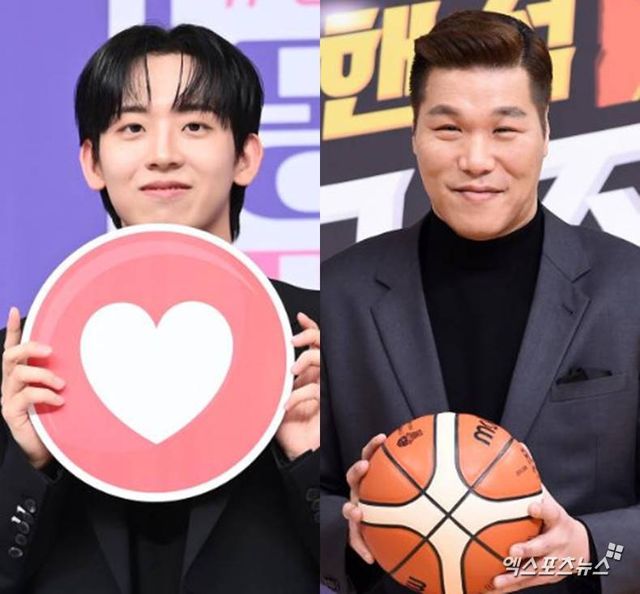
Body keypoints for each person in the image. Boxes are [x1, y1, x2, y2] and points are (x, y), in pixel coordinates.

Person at [321, 10, 638, 594]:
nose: (475, 160)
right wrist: (348, 527)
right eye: (448, 129)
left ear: (545, 133)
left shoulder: (631, 288)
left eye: (504, 130)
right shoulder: (340, 293)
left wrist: (592, 549)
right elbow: (294, 497)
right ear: (414, 136)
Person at [0, 24, 319, 593]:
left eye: (195, 125)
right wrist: (29, 462)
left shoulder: (321, 341)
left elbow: (379, 569)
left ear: (246, 156)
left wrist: (309, 460)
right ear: (93, 162)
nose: (164, 155)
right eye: (132, 128)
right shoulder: (23, 367)